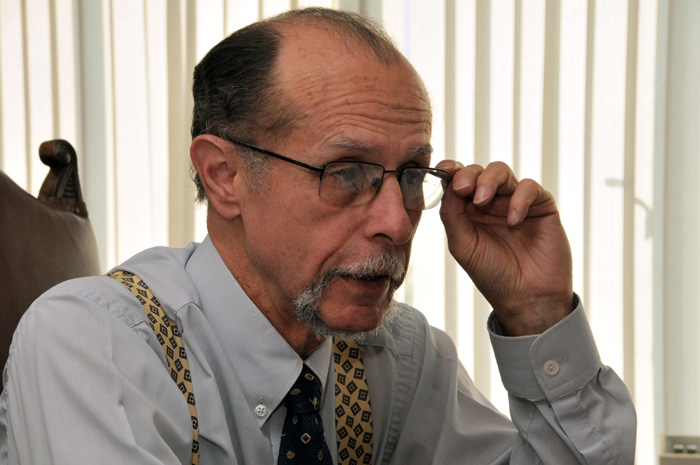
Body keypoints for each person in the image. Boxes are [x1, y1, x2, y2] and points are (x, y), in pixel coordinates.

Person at [0, 7, 635, 464]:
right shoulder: (90, 344)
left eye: (412, 174)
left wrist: (536, 312)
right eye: (347, 172)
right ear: (223, 176)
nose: (395, 219)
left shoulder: (400, 357)